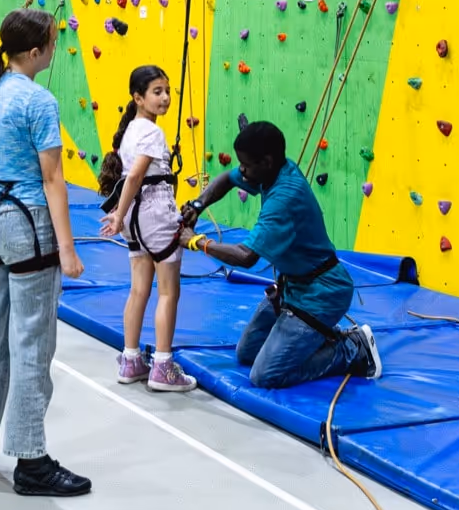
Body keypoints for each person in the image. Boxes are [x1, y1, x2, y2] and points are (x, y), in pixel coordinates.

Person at [0, 8, 90, 498]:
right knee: (32, 343)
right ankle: (31, 459)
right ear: (35, 52)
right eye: (53, 44)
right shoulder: (37, 101)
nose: (55, 51)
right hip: (26, 224)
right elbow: (52, 179)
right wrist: (69, 249)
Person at [179, 121, 383, 389]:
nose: (242, 169)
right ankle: (317, 336)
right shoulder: (269, 171)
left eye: (247, 164)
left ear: (267, 161)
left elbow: (247, 256)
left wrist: (195, 242)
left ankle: (351, 349)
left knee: (264, 376)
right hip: (292, 287)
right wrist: (198, 204)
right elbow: (227, 179)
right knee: (246, 354)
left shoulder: (283, 198)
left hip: (321, 294)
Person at [96, 65, 196, 393]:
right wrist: (117, 212)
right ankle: (163, 366)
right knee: (168, 291)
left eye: (167, 91)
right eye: (157, 92)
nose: (165, 98)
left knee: (139, 288)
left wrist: (120, 216)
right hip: (153, 213)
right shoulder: (152, 133)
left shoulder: (129, 131)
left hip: (135, 221)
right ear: (138, 98)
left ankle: (130, 358)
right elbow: (136, 175)